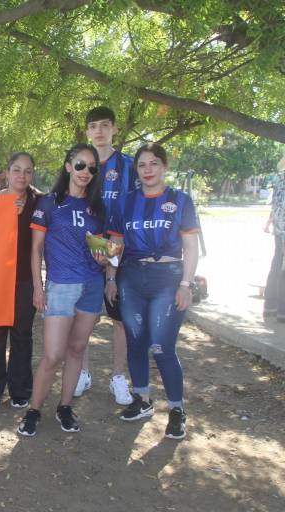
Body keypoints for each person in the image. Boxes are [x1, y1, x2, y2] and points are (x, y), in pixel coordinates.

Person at [106, 143, 200, 440]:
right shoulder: (125, 202)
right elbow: (114, 243)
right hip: (131, 277)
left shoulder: (181, 200)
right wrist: (110, 277)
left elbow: (191, 247)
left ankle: (176, 409)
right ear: (137, 170)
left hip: (168, 278)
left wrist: (186, 284)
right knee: (135, 341)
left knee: (161, 346)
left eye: (154, 164)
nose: (148, 170)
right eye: (142, 165)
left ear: (164, 166)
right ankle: (143, 400)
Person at [17, 143, 106, 437]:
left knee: (77, 349)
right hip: (61, 285)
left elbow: (101, 247)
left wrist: (105, 255)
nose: (85, 172)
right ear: (68, 166)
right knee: (53, 354)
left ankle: (65, 407)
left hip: (92, 285)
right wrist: (39, 287)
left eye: (92, 167)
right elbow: (36, 248)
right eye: (80, 165)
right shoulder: (49, 203)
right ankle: (33, 410)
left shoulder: (97, 206)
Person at [75, 106, 137, 406]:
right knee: (83, 316)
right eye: (93, 126)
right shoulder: (80, 164)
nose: (98, 131)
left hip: (120, 250)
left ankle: (117, 377)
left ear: (114, 129)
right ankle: (82, 372)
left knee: (119, 318)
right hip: (85, 250)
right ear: (87, 131)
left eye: (104, 125)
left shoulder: (128, 165)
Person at [0, 152, 38, 408]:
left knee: (22, 335)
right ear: (7, 172)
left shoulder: (40, 202)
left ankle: (20, 389)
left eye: (27, 171)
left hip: (26, 279)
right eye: (17, 169)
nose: (22, 176)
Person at [264, 157, 285, 322]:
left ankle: (270, 307)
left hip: (279, 229)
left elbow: (276, 205)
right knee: (281, 268)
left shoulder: (280, 179)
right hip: (282, 228)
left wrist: (271, 221)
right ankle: (281, 311)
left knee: (277, 264)